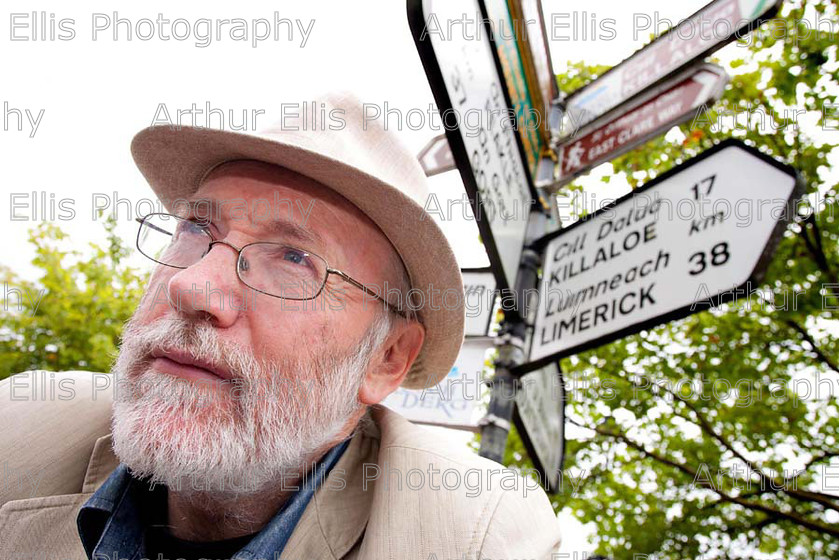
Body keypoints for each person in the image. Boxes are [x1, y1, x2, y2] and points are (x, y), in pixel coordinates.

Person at [0, 92, 561, 559]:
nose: (192, 286)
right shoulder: (18, 431)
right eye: (196, 228)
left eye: (295, 259)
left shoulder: (477, 536)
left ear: (386, 358)